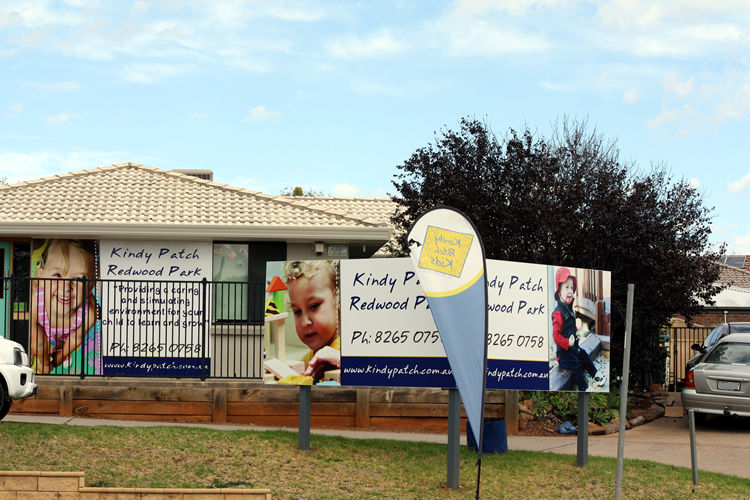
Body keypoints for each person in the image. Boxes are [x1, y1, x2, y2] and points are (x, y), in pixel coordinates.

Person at [29, 239, 97, 374]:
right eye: (57, 275)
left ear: (90, 287)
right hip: (43, 328)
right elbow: (36, 338)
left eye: (79, 279)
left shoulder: (88, 313)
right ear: (41, 276)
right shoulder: (37, 302)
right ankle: (37, 355)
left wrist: (56, 361)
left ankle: (57, 351)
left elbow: (75, 339)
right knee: (37, 345)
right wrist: (45, 363)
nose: (66, 287)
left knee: (63, 349)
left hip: (69, 335)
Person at [280, 260, 340, 383]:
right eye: (297, 311)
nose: (304, 322)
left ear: (339, 301)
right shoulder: (307, 361)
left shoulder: (354, 351)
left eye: (314, 306)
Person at [552, 267, 604, 391]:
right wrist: (567, 342)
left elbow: (571, 325)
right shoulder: (558, 313)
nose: (570, 291)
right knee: (576, 364)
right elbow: (556, 336)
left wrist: (576, 333)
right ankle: (583, 388)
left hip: (574, 348)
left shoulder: (569, 308)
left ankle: (595, 375)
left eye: (571, 287)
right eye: (566, 287)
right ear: (559, 291)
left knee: (584, 355)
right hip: (563, 355)